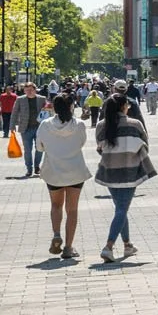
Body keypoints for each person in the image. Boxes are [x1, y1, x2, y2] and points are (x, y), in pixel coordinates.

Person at [93, 89, 154, 262]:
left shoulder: (101, 125)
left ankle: (127, 245)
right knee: (122, 209)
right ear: (123, 106)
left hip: (110, 171)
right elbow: (145, 146)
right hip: (129, 171)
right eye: (127, 104)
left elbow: (99, 147)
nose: (128, 106)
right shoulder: (135, 124)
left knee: (120, 209)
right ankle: (109, 246)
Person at [36, 90, 91, 260]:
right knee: (72, 209)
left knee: (56, 205)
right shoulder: (79, 125)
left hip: (53, 170)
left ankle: (56, 233)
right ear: (72, 106)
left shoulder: (45, 125)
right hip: (75, 170)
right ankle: (68, 247)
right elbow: (82, 143)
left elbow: (39, 147)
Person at [14, 81, 44, 176]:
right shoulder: (20, 99)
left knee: (39, 148)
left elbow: (48, 111)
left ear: (35, 90)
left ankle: (37, 166)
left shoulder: (42, 99)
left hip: (39, 128)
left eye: (31, 90)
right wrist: (12, 126)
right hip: (25, 128)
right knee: (27, 150)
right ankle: (29, 169)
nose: (29, 92)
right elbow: (14, 112)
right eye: (27, 90)